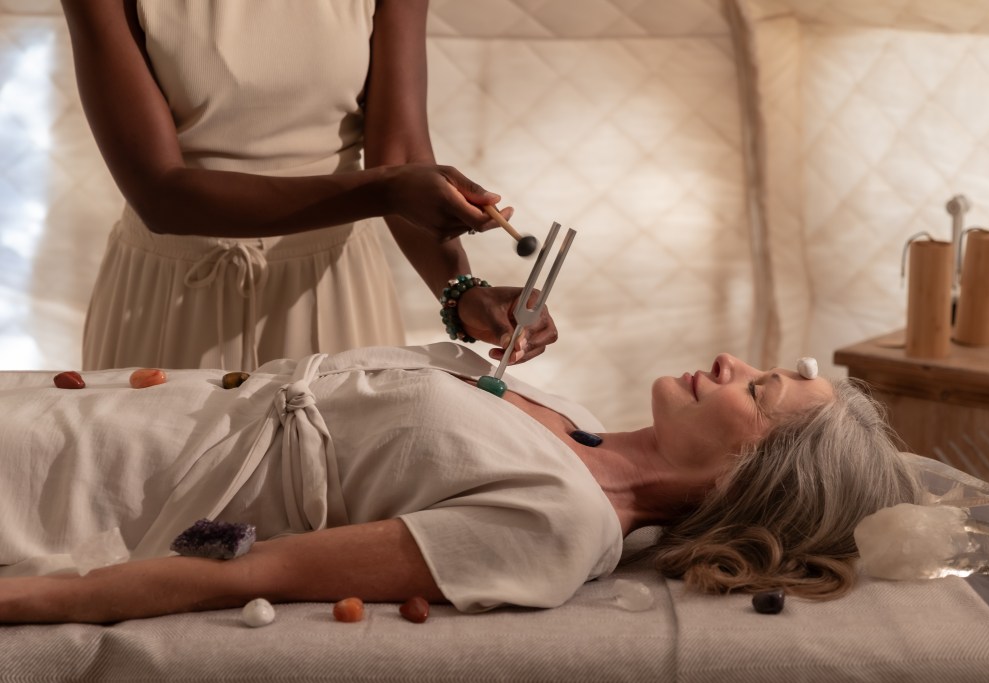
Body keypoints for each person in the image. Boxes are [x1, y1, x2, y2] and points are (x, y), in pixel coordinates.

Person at [0, 343, 917, 624]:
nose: (729, 361)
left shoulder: (559, 524)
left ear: (744, 479)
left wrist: (39, 599)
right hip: (112, 405)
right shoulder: (565, 412)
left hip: (98, 479)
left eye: (757, 390)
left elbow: (259, 568)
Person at [61, 0, 554, 372]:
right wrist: (384, 191)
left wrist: (462, 294)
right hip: (167, 296)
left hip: (336, 290)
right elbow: (160, 196)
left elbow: (401, 157)